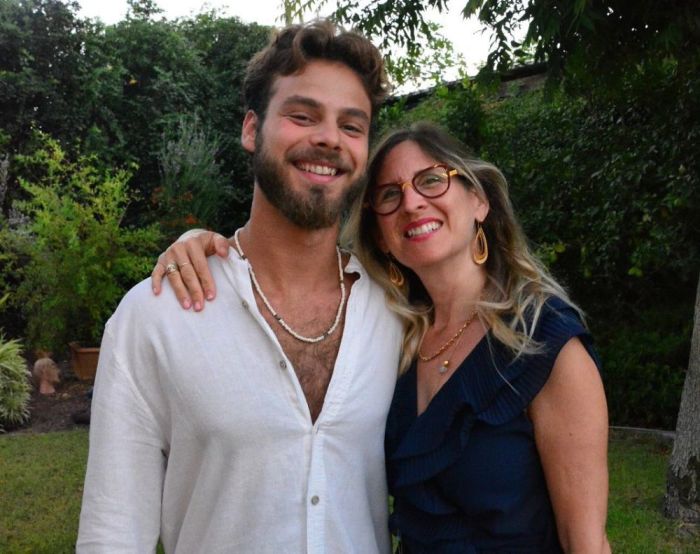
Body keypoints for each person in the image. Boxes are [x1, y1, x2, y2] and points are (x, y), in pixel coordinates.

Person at [158, 123, 611, 552]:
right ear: (382, 235)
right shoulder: (389, 334)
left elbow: (586, 545)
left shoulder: (546, 346)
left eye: (432, 181)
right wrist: (201, 245)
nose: (411, 203)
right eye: (389, 196)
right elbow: (288, 268)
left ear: (479, 200)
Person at [77, 20, 404, 554]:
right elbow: (114, 534)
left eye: (352, 126)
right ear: (252, 129)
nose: (328, 138)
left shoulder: (396, 311)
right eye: (302, 116)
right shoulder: (157, 315)